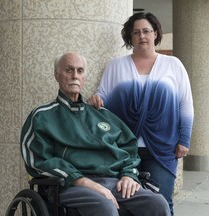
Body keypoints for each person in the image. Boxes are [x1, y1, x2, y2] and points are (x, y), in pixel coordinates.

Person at [20, 52, 170, 216]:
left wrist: (128, 175)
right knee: (104, 206)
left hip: (114, 181)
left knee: (157, 204)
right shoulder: (42, 116)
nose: (75, 76)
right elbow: (37, 159)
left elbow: (129, 147)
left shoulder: (102, 114)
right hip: (71, 185)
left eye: (80, 71)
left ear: (84, 77)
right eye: (68, 70)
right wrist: (83, 181)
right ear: (57, 74)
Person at [87, 12, 194, 215]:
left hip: (162, 148)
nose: (142, 36)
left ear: (155, 34)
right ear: (130, 37)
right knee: (127, 203)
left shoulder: (174, 65)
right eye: (136, 33)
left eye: (146, 31)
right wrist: (95, 99)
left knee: (162, 202)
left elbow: (185, 104)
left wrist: (184, 139)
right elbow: (103, 95)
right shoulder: (115, 66)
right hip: (122, 150)